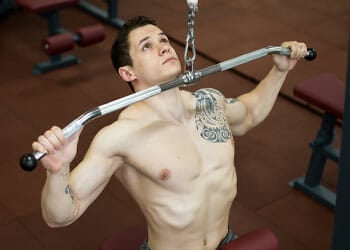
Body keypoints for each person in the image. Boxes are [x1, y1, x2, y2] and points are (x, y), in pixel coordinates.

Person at [32, 16, 307, 250]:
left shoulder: (208, 102)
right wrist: (58, 170)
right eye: (147, 46)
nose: (164, 47)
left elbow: (248, 113)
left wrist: (279, 71)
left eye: (163, 40)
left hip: (226, 242)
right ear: (127, 73)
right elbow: (60, 216)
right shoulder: (120, 137)